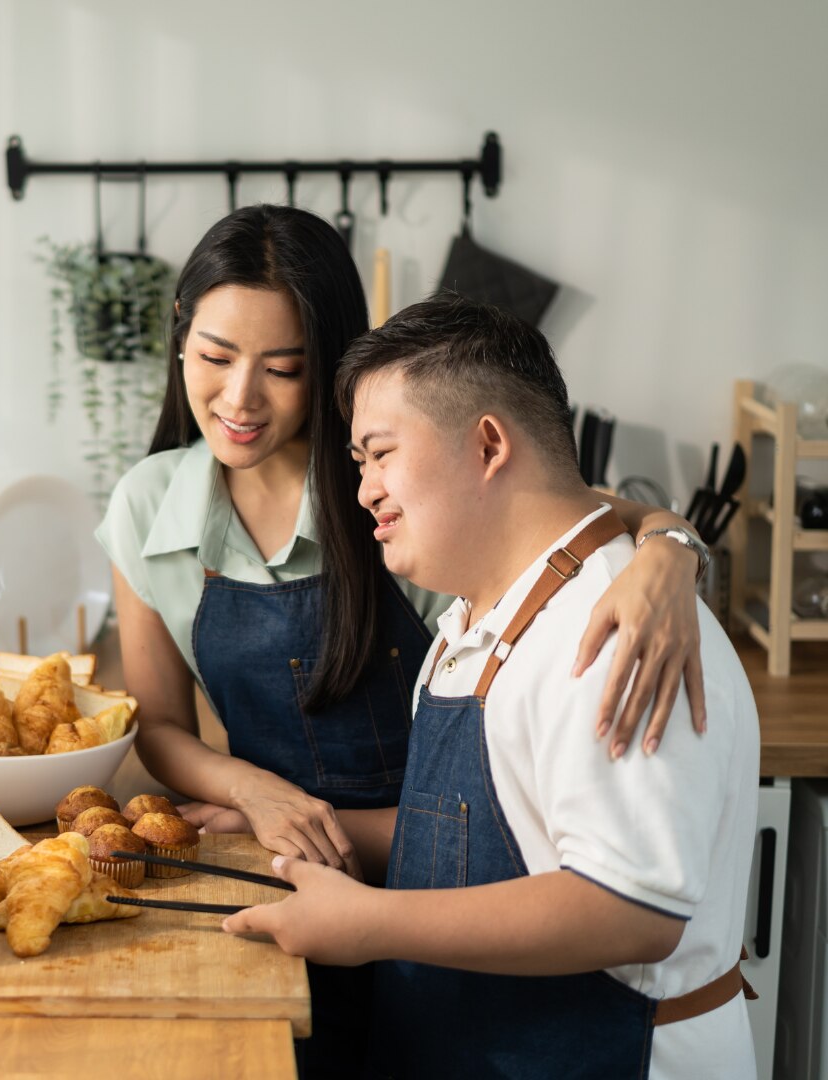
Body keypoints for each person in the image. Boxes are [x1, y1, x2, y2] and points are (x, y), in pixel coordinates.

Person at [98, 204, 710, 1078]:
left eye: (283, 368)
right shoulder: (147, 507)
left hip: (452, 877)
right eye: (215, 357)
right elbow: (157, 725)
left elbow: (564, 512)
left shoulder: (397, 492)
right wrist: (260, 796)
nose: (239, 399)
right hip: (279, 862)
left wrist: (671, 546)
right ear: (180, 342)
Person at [222, 295, 760, 1080]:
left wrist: (372, 922)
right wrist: (279, 820)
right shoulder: (487, 612)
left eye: (379, 453)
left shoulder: (613, 629)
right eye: (358, 463)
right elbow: (476, 838)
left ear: (488, 444)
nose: (364, 489)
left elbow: (632, 911)